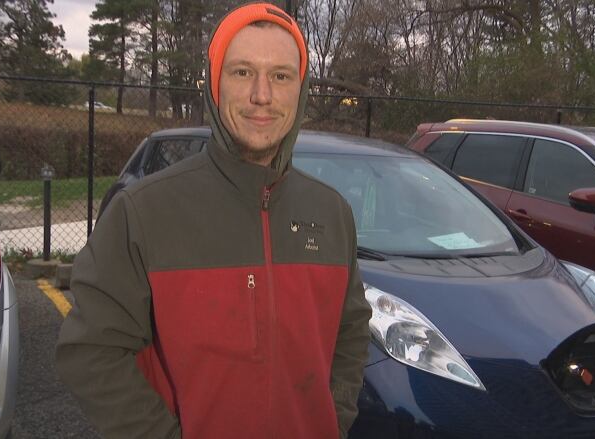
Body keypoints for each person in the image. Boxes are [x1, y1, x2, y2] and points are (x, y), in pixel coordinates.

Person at [55, 3, 372, 439]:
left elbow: (351, 332)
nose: (262, 95)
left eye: (281, 75)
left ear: (300, 90)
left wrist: (330, 420)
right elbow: (91, 350)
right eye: (242, 72)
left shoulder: (332, 213)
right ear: (214, 84)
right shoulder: (143, 212)